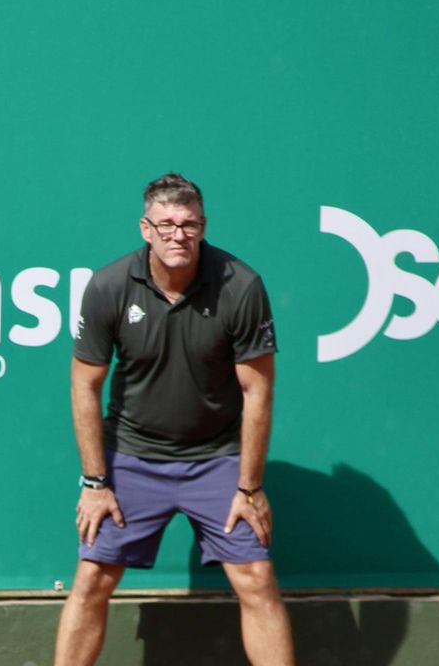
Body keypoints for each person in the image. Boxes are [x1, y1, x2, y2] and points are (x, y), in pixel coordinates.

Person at [53, 173, 294, 665]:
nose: (176, 235)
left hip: (218, 460)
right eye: (165, 224)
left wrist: (249, 488)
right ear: (145, 228)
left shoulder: (241, 286)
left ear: (203, 227)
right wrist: (96, 482)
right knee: (92, 578)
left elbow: (257, 390)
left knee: (256, 578)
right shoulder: (109, 286)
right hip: (132, 457)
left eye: (187, 225)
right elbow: (85, 386)